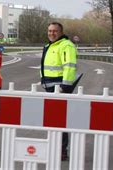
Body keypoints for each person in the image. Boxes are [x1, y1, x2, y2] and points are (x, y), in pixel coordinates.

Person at [41, 22, 77, 161]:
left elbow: (69, 67)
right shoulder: (49, 46)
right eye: (50, 30)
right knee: (52, 120)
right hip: (50, 88)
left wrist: (64, 88)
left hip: (60, 89)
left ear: (61, 32)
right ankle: (54, 147)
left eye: (55, 31)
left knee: (60, 120)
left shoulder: (66, 45)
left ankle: (62, 150)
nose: (51, 33)